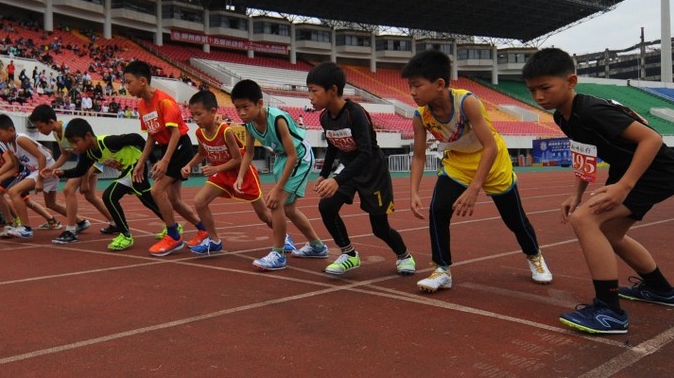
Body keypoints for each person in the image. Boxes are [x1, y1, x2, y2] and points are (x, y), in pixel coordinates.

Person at [523, 47, 674, 336]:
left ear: (571, 81)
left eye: (545, 88)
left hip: (657, 171)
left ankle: (609, 312)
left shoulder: (591, 110)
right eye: (532, 90)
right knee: (611, 235)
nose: (538, 97)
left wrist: (625, 186)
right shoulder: (563, 117)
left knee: (585, 219)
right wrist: (576, 194)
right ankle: (661, 290)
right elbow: (586, 156)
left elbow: (651, 138)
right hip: (629, 170)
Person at [401, 49, 551, 293]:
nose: (412, 92)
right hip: (458, 164)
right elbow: (418, 156)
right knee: (438, 209)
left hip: (492, 162)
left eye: (417, 85)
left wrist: (475, 188)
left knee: (514, 219)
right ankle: (442, 269)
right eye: (410, 86)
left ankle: (534, 256)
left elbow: (490, 145)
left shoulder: (466, 102)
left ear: (439, 84)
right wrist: (413, 192)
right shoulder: (421, 116)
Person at [306, 61, 415, 278]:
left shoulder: (354, 113)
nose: (310, 96)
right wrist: (324, 174)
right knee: (327, 207)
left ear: (333, 90)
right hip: (349, 169)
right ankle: (349, 254)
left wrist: (337, 180)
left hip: (373, 170)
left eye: (313, 91)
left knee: (379, 228)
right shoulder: (325, 117)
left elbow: (365, 153)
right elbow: (331, 146)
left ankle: (404, 255)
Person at [231, 79, 328, 271]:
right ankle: (317, 246)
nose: (241, 113)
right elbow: (249, 153)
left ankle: (278, 254)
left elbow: (293, 155)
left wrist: (278, 188)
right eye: (237, 108)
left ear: (259, 103)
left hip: (299, 157)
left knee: (276, 202)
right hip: (283, 158)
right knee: (289, 209)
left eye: (245, 107)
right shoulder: (249, 125)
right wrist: (240, 176)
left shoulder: (277, 119)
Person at [123, 60, 206, 256]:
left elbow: (176, 133)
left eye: (129, 82)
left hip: (179, 146)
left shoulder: (164, 101)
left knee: (157, 190)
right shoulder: (142, 105)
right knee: (175, 200)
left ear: (143, 81)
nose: (126, 87)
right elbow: (151, 135)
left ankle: (173, 236)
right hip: (167, 147)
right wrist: (141, 162)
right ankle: (203, 229)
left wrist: (165, 160)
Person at [183, 90, 281, 255]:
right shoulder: (199, 133)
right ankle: (214, 240)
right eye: (192, 115)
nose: (196, 118)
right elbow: (202, 153)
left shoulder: (225, 131)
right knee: (199, 201)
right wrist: (189, 165)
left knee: (263, 214)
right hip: (222, 175)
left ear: (213, 111)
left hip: (242, 173)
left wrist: (215, 168)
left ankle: (283, 238)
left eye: (199, 114)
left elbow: (238, 159)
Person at [48, 117, 164, 251]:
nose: (74, 147)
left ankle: (125, 235)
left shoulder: (108, 142)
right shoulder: (88, 153)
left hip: (135, 167)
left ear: (88, 136)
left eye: (76, 142)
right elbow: (79, 171)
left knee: (109, 196)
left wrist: (151, 160)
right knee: (147, 200)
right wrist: (62, 172)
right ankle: (171, 225)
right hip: (127, 171)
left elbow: (136, 138)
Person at [31, 105, 116, 245]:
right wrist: (51, 168)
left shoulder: (67, 130)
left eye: (40, 127)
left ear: (51, 122)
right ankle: (115, 222)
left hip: (91, 161)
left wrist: (84, 181)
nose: (39, 131)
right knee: (90, 196)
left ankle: (70, 230)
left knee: (68, 189)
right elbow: (65, 155)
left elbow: (84, 155)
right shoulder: (56, 133)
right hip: (86, 163)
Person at [0, 113, 62, 239]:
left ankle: (26, 228)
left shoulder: (20, 139)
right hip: (38, 170)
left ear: (11, 130)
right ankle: (80, 222)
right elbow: (15, 168)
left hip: (47, 169)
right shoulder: (9, 144)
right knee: (51, 204)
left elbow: (41, 157)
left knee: (14, 192)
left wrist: (39, 180)